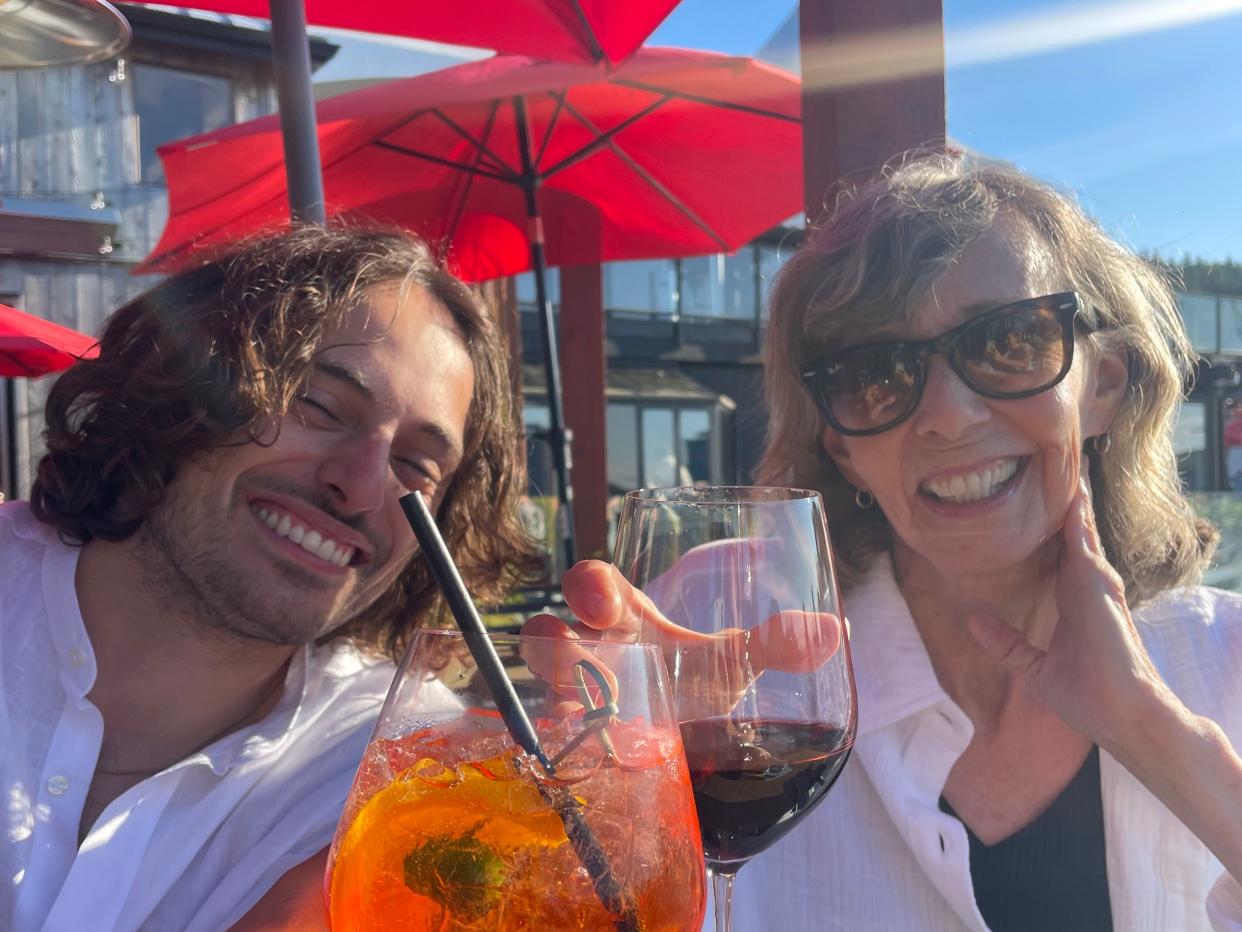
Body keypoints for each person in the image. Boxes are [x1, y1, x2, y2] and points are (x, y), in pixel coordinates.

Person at [553, 151, 1242, 929]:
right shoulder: (713, 626)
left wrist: (1153, 734)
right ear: (841, 445)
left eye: (1007, 342)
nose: (947, 415)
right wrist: (599, 806)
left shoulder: (1226, 658)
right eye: (875, 371)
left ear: (1103, 386)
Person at [0, 226, 539, 931]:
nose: (362, 486)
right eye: (319, 406)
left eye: (417, 466)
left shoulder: (405, 773)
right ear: (188, 387)